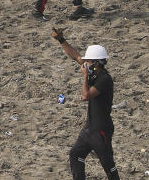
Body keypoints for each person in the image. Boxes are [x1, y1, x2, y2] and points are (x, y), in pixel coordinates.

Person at [50, 29, 120, 180]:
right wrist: (61, 40)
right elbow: (75, 56)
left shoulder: (104, 79)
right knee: (76, 155)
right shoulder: (94, 70)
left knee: (108, 165)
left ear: (97, 63)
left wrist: (85, 77)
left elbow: (85, 96)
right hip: (89, 128)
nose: (85, 63)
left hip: (101, 130)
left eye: (89, 61)